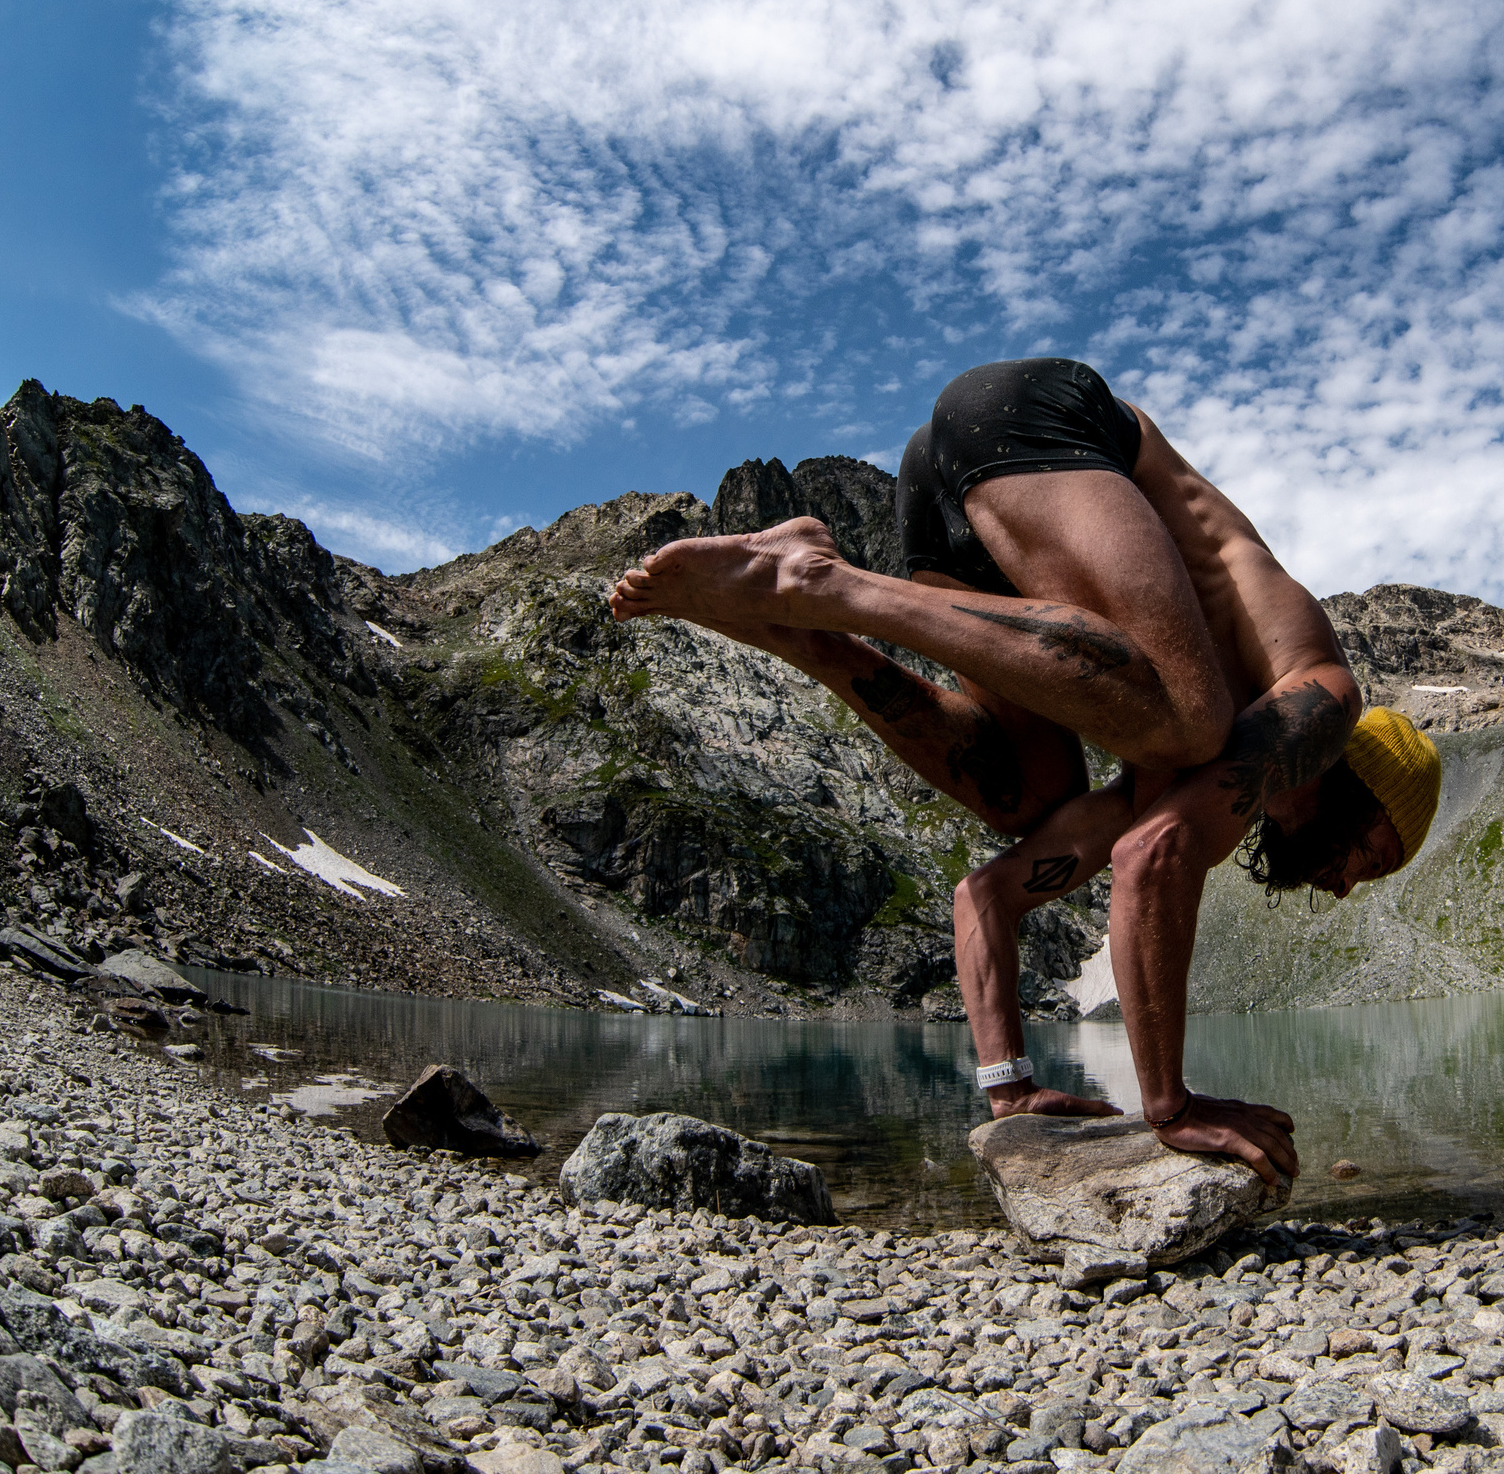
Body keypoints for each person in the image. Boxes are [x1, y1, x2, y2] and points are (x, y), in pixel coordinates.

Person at [610, 358, 1441, 1186]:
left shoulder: (1177, 780)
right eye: (1370, 855)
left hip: (944, 500)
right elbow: (1155, 855)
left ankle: (810, 633)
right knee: (1190, 720)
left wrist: (1009, 1085)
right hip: (1036, 425)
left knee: (1032, 799)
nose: (1341, 886)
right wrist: (1172, 1108)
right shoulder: (1325, 696)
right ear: (1364, 785)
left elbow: (990, 896)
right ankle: (819, 582)